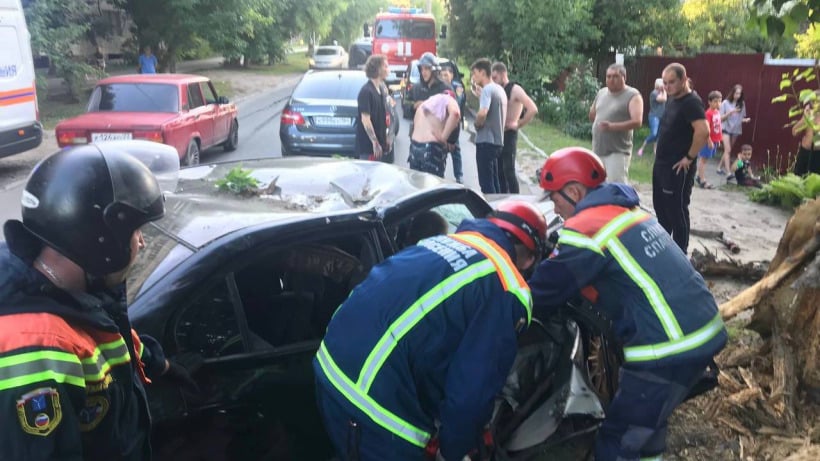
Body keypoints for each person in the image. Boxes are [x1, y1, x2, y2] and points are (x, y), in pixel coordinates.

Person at [530, 146, 727, 461]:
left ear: (574, 191)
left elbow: (543, 292)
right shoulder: (628, 211)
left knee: (619, 439)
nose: (555, 210)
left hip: (668, 349)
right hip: (703, 327)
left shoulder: (586, 229)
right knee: (648, 425)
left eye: (555, 199)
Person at [0, 144, 195, 459]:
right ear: (100, 241)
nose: (142, 243)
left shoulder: (72, 292)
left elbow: (107, 339)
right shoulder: (37, 351)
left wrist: (161, 365)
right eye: (135, 232)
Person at [313, 201, 548, 461]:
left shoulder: (438, 243)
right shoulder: (508, 287)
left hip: (329, 366)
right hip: (375, 406)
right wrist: (453, 451)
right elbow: (471, 391)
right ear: (529, 258)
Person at [653, 63, 709, 253]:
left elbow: (703, 132)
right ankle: (664, 251)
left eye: (671, 82)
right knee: (661, 210)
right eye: (665, 83)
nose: (667, 87)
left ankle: (680, 253)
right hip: (662, 164)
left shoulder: (691, 102)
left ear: (684, 80)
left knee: (677, 212)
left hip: (677, 168)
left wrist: (689, 157)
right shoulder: (672, 98)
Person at [589, 63, 643, 184]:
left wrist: (612, 127)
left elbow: (637, 121)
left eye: (615, 76)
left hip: (617, 152)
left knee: (616, 188)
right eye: (608, 76)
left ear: (624, 77)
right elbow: (593, 114)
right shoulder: (602, 93)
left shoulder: (632, 95)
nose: (611, 80)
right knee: (596, 186)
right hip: (598, 149)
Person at [491, 61, 539, 194]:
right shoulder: (498, 90)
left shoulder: (515, 89)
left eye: (495, 78)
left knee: (509, 170)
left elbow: (533, 109)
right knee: (499, 169)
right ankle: (502, 198)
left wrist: (518, 124)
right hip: (499, 134)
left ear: (503, 74)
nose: (493, 81)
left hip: (509, 134)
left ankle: (517, 199)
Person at [470, 58, 507, 194]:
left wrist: (477, 124)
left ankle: (490, 212)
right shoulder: (499, 89)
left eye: (475, 73)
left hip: (486, 141)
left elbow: (483, 113)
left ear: (482, 72)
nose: (473, 77)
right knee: (494, 181)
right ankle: (498, 209)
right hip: (498, 142)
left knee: (486, 184)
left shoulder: (487, 90)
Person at [409, 93, 461, 177]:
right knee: (433, 187)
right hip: (430, 149)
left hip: (414, 147)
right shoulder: (449, 100)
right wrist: (443, 138)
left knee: (417, 186)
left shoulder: (427, 103)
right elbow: (455, 113)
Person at [356, 54, 390, 161]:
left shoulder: (381, 89)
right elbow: (365, 119)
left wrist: (386, 139)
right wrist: (375, 142)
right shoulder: (366, 91)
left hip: (380, 147)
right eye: (385, 66)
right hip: (369, 149)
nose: (387, 69)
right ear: (378, 69)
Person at [439, 62, 465, 183]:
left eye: (446, 75)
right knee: (440, 151)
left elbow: (458, 105)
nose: (444, 77)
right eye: (442, 75)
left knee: (455, 150)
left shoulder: (457, 87)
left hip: (454, 123)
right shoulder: (439, 87)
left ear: (452, 75)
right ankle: (439, 175)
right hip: (441, 124)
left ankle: (459, 176)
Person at [718, 84, 751, 176]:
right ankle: (728, 172)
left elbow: (740, 118)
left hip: (736, 130)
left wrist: (745, 120)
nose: (737, 96)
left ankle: (719, 167)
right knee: (728, 150)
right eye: (736, 93)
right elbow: (721, 118)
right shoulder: (725, 103)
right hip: (725, 128)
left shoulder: (742, 104)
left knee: (728, 150)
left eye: (739, 94)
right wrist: (731, 112)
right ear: (732, 93)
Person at [407, 52, 450, 120]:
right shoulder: (416, 88)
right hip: (419, 128)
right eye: (422, 69)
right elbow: (406, 104)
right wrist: (413, 106)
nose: (423, 72)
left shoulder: (445, 89)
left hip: (438, 129)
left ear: (434, 70)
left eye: (426, 68)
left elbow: (454, 114)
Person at [696, 91, 723, 189]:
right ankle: (702, 180)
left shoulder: (717, 112)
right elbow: (705, 128)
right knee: (703, 160)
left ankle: (699, 176)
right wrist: (709, 140)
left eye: (720, 101)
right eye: (715, 101)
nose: (718, 103)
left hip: (715, 140)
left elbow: (718, 127)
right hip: (708, 140)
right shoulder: (708, 113)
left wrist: (718, 140)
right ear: (709, 102)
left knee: (706, 159)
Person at [637, 78, 667, 157]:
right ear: (658, 85)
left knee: (658, 135)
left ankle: (655, 151)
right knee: (654, 133)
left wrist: (664, 91)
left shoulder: (662, 92)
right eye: (662, 85)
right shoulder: (654, 93)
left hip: (661, 116)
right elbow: (663, 99)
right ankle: (642, 148)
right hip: (654, 116)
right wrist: (664, 91)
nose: (663, 86)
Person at [792, 99, 820, 176]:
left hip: (818, 155)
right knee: (798, 181)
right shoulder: (809, 113)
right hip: (804, 152)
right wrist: (805, 117)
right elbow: (794, 132)